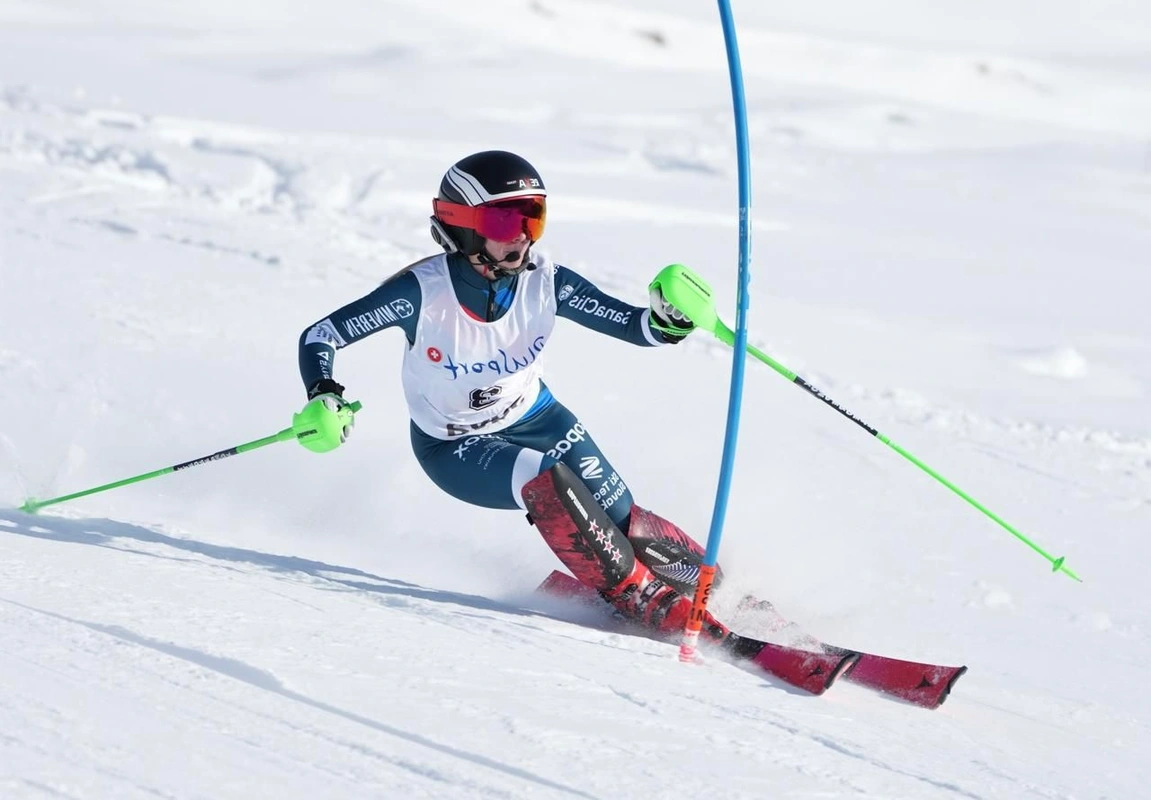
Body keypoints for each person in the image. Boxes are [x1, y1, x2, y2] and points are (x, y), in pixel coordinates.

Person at [295, 150, 728, 643]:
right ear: (460, 226)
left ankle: (717, 591)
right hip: (454, 446)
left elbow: (637, 328)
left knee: (622, 515)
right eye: (504, 220)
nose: (521, 234)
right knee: (546, 479)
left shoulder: (547, 281)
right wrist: (324, 393)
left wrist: (669, 321)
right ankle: (642, 598)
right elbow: (321, 335)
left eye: (532, 217)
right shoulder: (421, 292)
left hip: (538, 416)